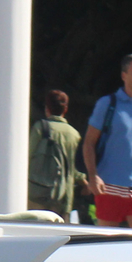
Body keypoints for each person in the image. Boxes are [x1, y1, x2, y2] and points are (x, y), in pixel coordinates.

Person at [80, 53, 132, 230]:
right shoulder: (107, 104)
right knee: (107, 247)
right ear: (124, 75)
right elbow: (89, 143)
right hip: (109, 187)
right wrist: (93, 176)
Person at [27, 89, 83, 218]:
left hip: (36, 193)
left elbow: (28, 156)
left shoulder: (40, 128)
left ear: (47, 108)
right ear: (66, 109)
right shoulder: (74, 134)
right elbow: (76, 169)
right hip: (62, 197)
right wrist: (85, 183)